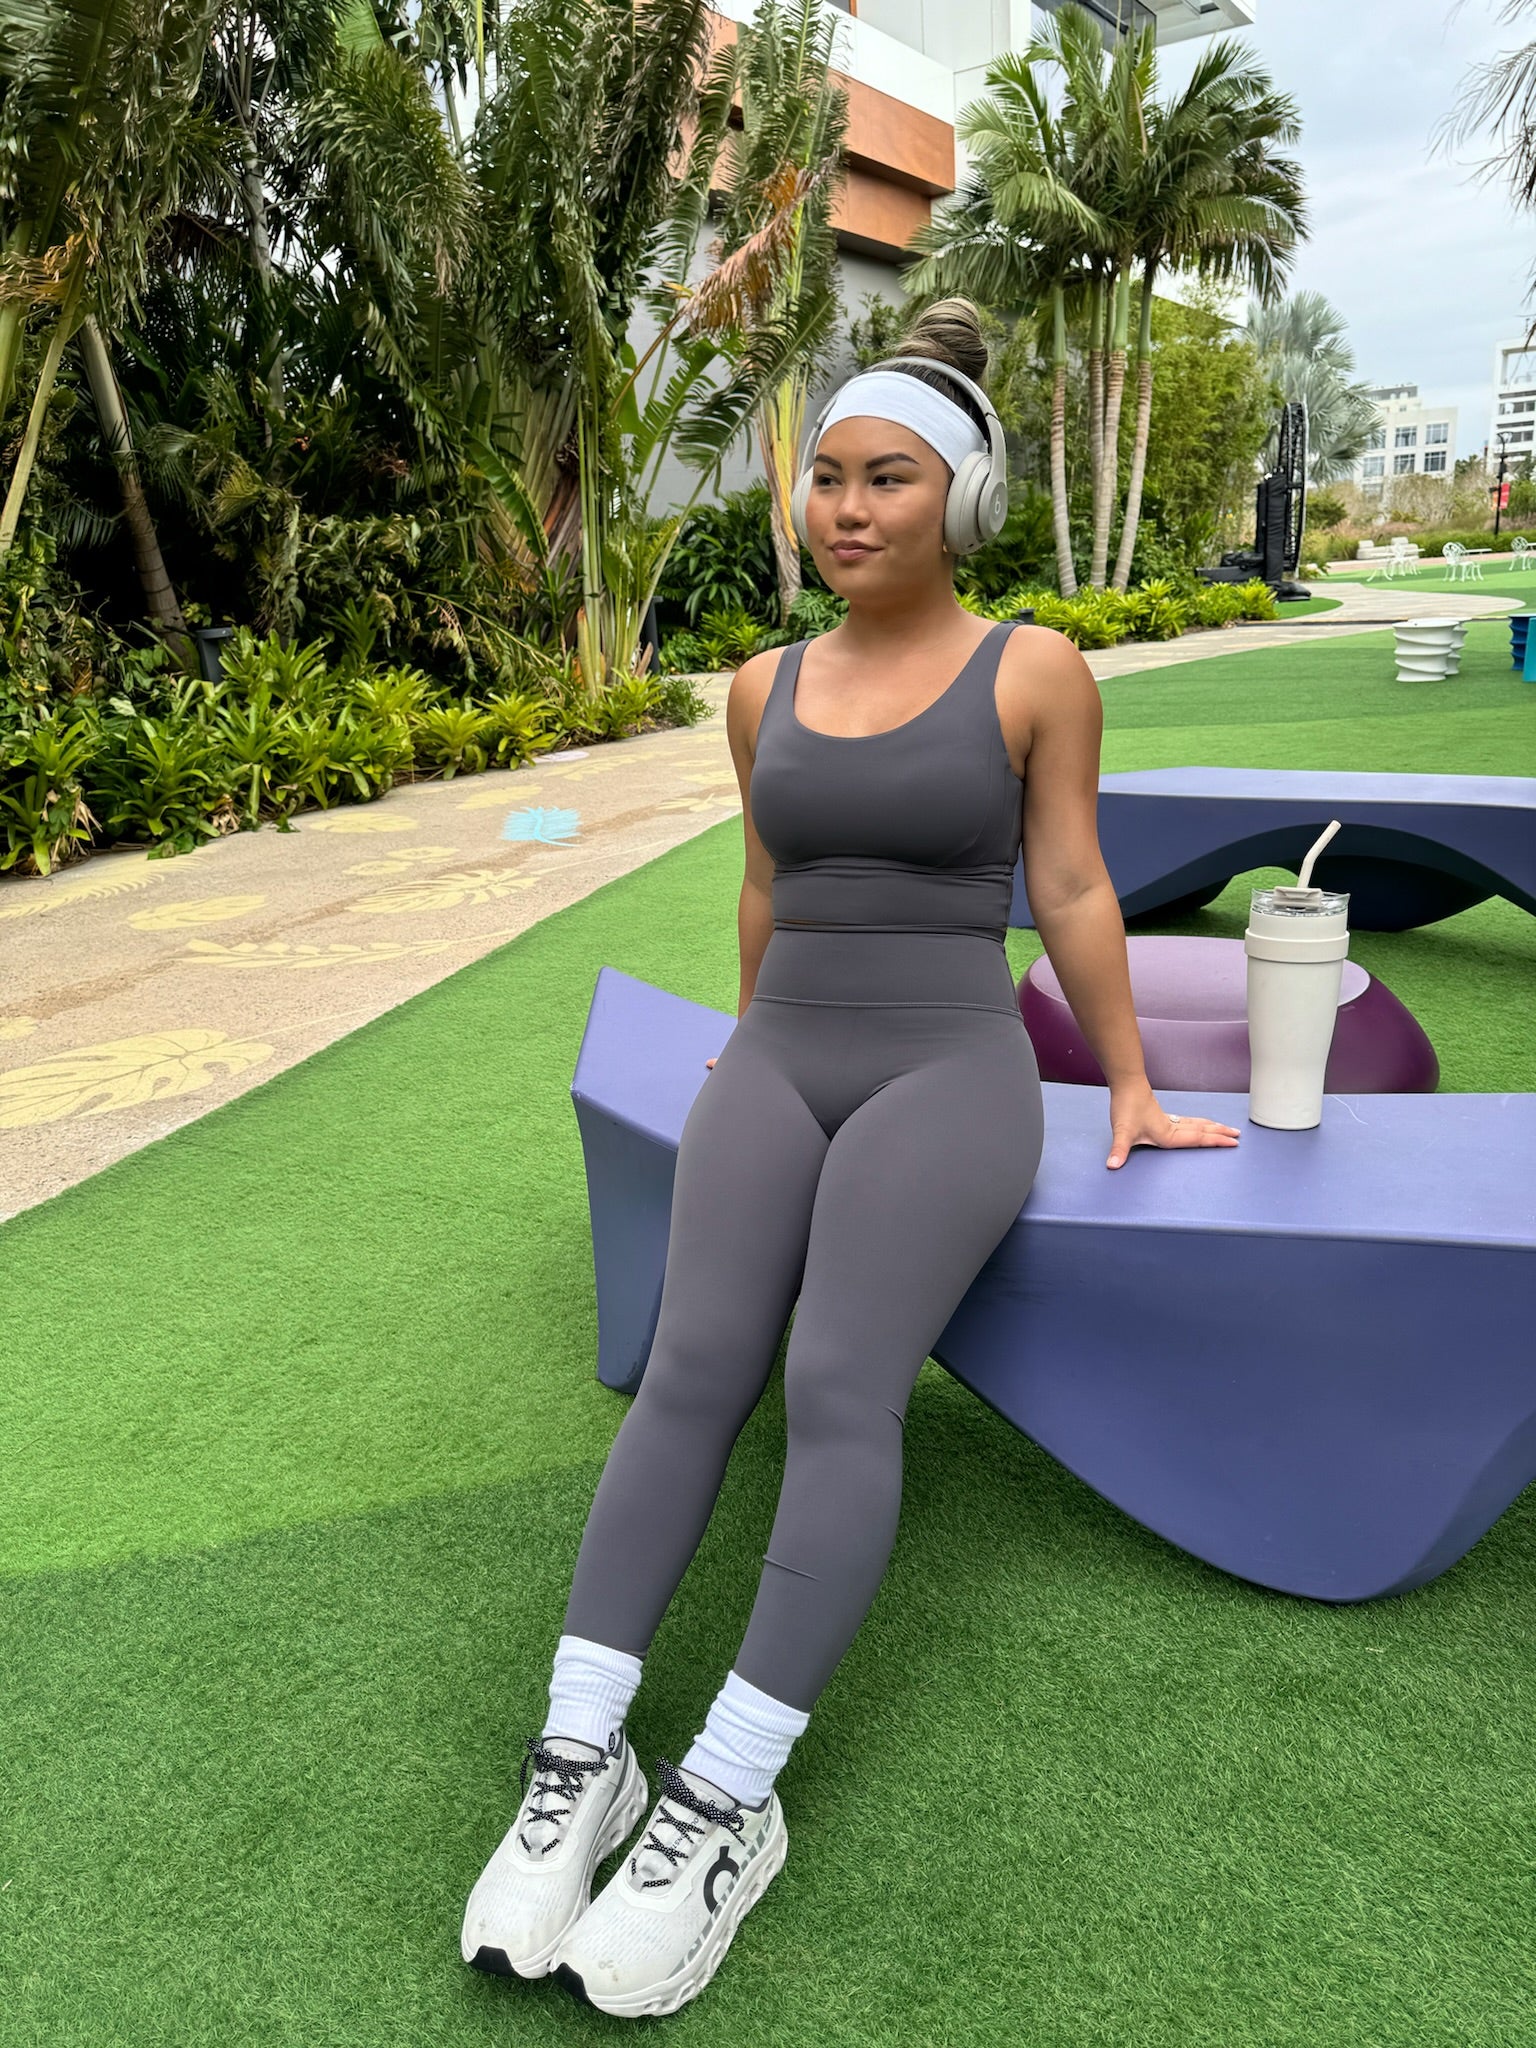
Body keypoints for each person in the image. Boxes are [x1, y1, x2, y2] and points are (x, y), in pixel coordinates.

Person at [460, 298, 1241, 2019]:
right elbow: (766, 882)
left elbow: (1071, 885)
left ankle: (727, 1798)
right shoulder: (761, 688)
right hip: (787, 1055)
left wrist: (1127, 1081)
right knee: (692, 1370)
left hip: (948, 1067)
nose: (849, 507)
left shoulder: (1032, 671)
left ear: (963, 500)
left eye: (891, 477)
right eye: (827, 477)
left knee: (834, 1383)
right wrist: (751, 1044)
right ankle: (582, 1755)